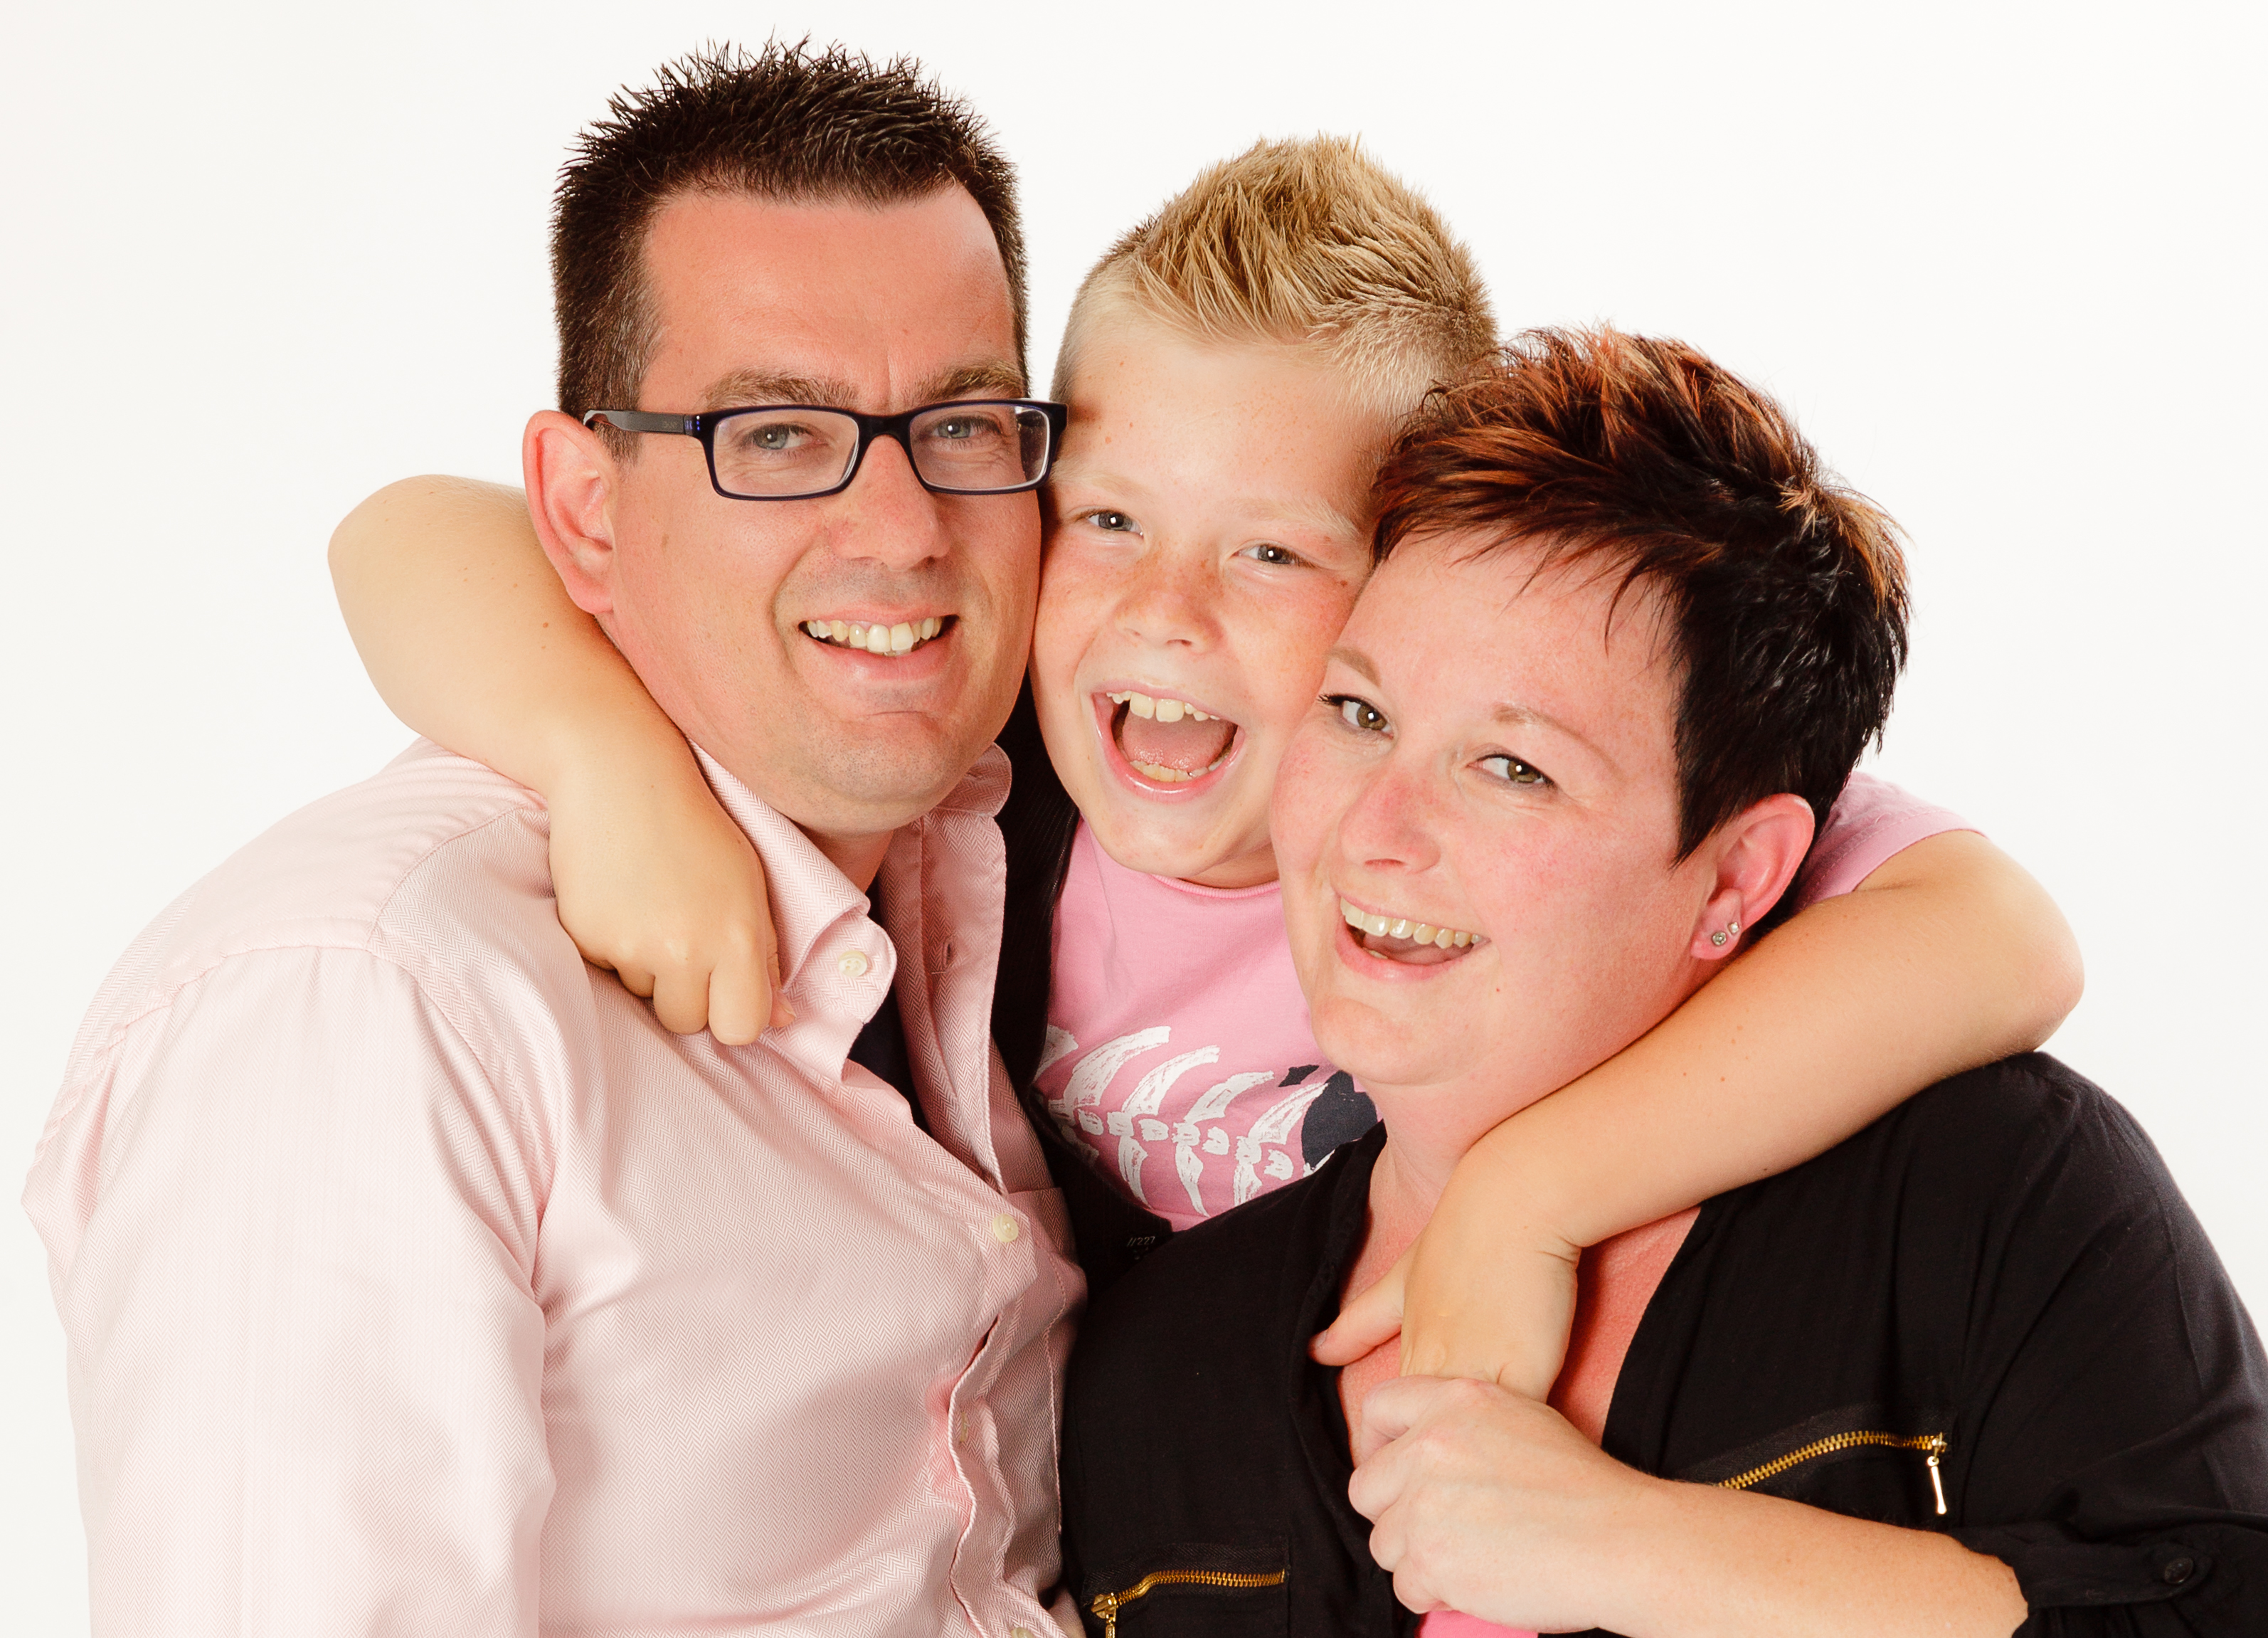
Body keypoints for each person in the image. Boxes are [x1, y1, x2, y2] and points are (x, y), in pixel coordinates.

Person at [327, 138, 2079, 1400]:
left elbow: (2001, 932)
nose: (1160, 616)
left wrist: (1535, 1194)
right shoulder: (988, 771)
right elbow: (409, 534)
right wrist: (607, 760)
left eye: (1270, 557)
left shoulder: (1528, 823)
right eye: (1104, 520)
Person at [26, 43, 1086, 1637]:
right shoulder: (369, 1009)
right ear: (584, 511)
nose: (902, 525)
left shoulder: (1013, 849)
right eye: (780, 435)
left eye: (961, 423)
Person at [1056, 327, 2268, 1637]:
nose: (1374, 831)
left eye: (1513, 768)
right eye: (1359, 714)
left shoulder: (1986, 1195)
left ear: (1738, 879)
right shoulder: (1154, 1378)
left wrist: (1649, 1551)